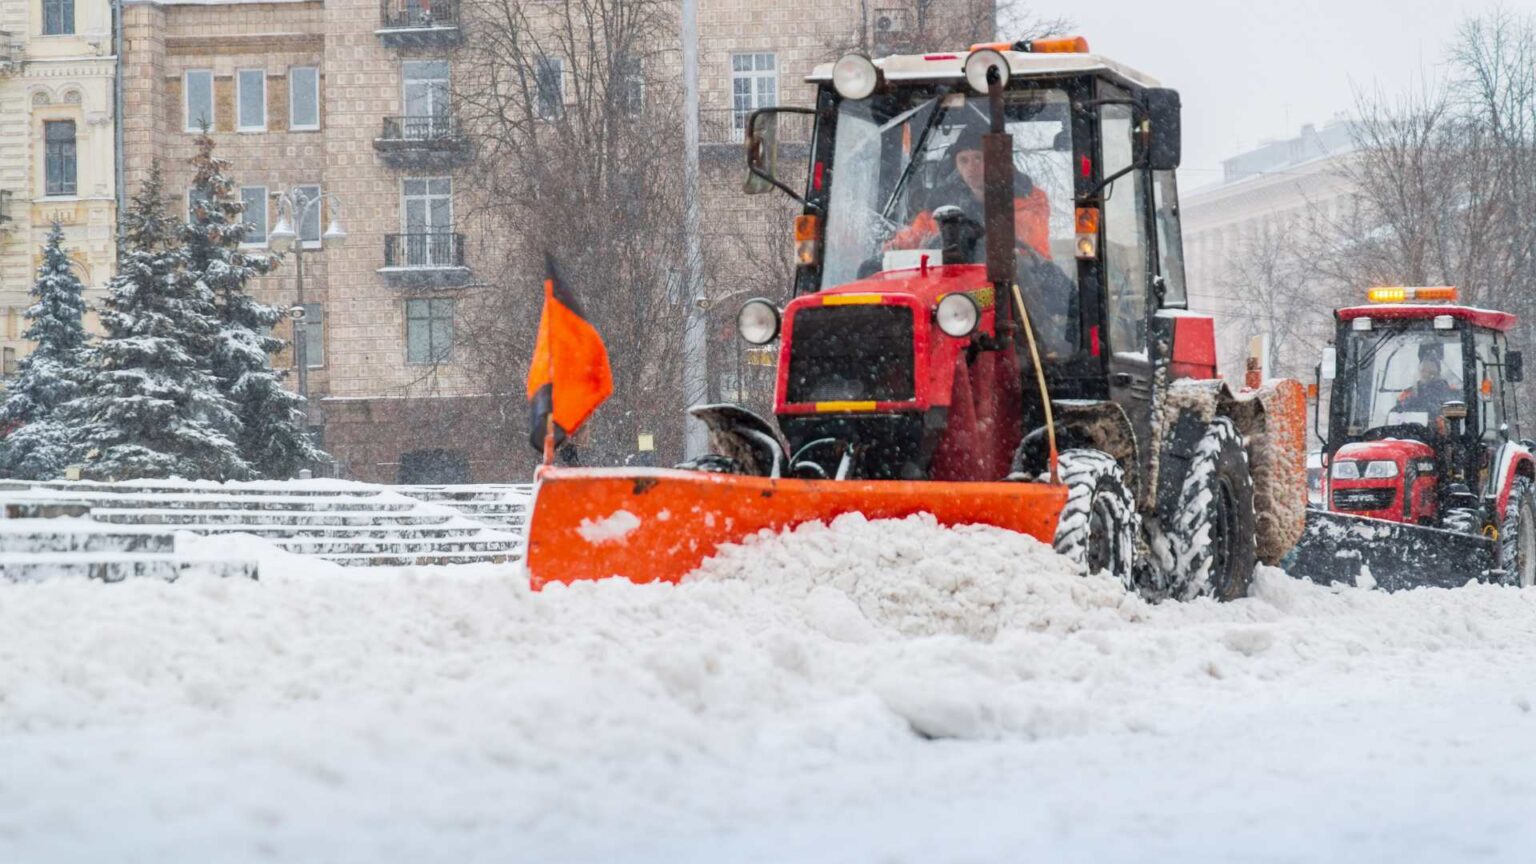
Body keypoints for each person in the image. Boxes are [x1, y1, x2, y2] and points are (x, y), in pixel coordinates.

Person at [884, 122, 1052, 259]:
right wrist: (895, 247)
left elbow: (1028, 240)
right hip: (955, 284)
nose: (971, 167)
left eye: (978, 158)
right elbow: (918, 234)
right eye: (963, 160)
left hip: (1016, 279)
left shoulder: (1028, 198)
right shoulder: (942, 204)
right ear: (956, 165)